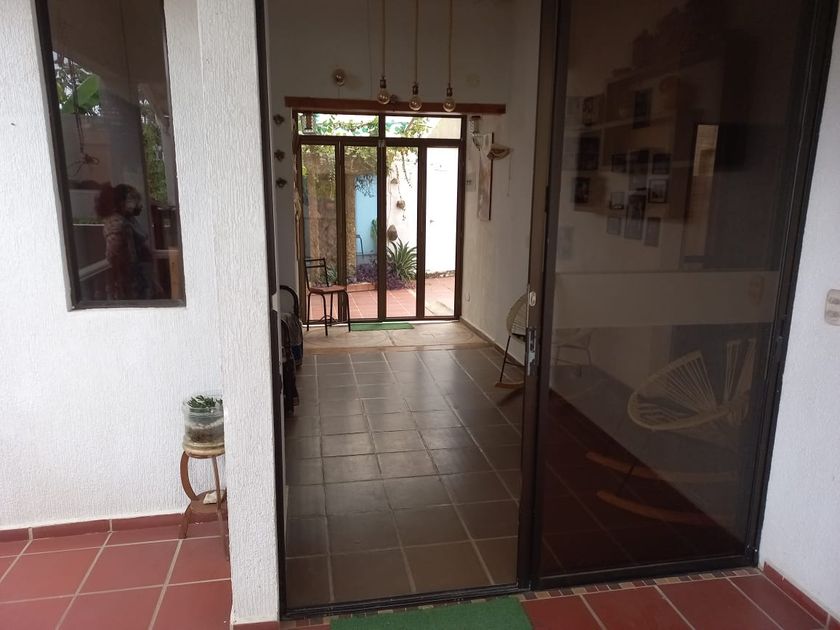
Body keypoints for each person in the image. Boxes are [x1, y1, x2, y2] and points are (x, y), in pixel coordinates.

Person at [95, 183, 157, 299]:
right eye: (133, 201)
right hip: (133, 276)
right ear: (121, 202)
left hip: (141, 272)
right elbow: (115, 254)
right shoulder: (117, 223)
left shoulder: (129, 219)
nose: (138, 205)